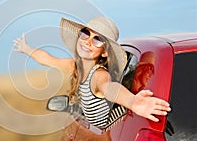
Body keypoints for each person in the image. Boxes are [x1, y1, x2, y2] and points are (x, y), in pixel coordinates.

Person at [13, 16, 171, 128]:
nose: (88, 41)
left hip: (111, 128)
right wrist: (26, 48)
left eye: (98, 39)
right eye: (85, 33)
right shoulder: (74, 67)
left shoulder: (99, 75)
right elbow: (47, 59)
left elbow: (110, 88)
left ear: (104, 53)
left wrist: (132, 101)